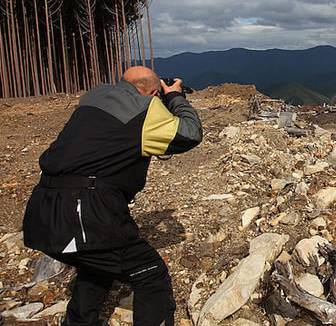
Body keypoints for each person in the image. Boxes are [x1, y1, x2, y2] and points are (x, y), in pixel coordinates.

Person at [23, 66, 203, 326]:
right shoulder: (146, 108)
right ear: (153, 93)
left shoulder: (94, 96)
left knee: (98, 266)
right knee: (151, 274)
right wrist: (175, 97)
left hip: (43, 209)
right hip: (86, 212)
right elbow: (190, 133)